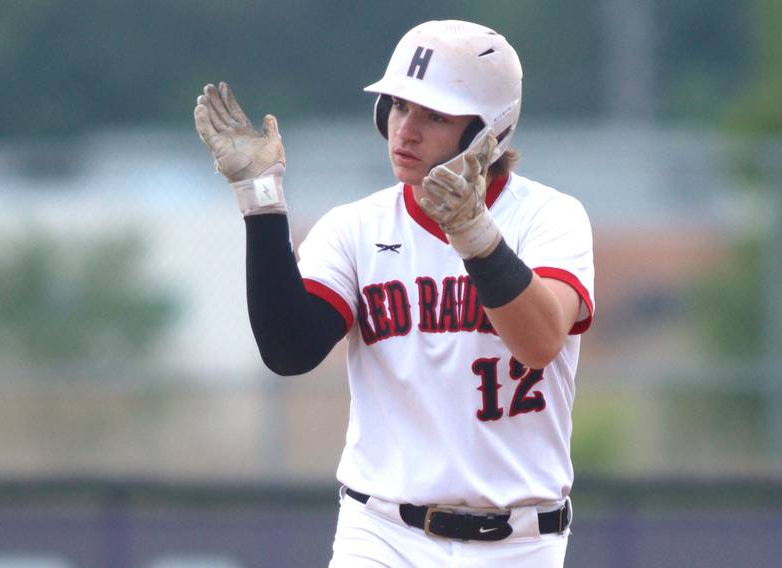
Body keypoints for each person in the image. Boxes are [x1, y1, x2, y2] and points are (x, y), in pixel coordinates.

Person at [194, 19, 594, 568]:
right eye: (399, 107)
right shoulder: (357, 226)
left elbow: (541, 342)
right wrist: (260, 201)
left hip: (520, 543)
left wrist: (475, 236)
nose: (405, 130)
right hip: (382, 535)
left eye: (434, 115)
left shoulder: (548, 218)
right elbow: (290, 351)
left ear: (487, 133)